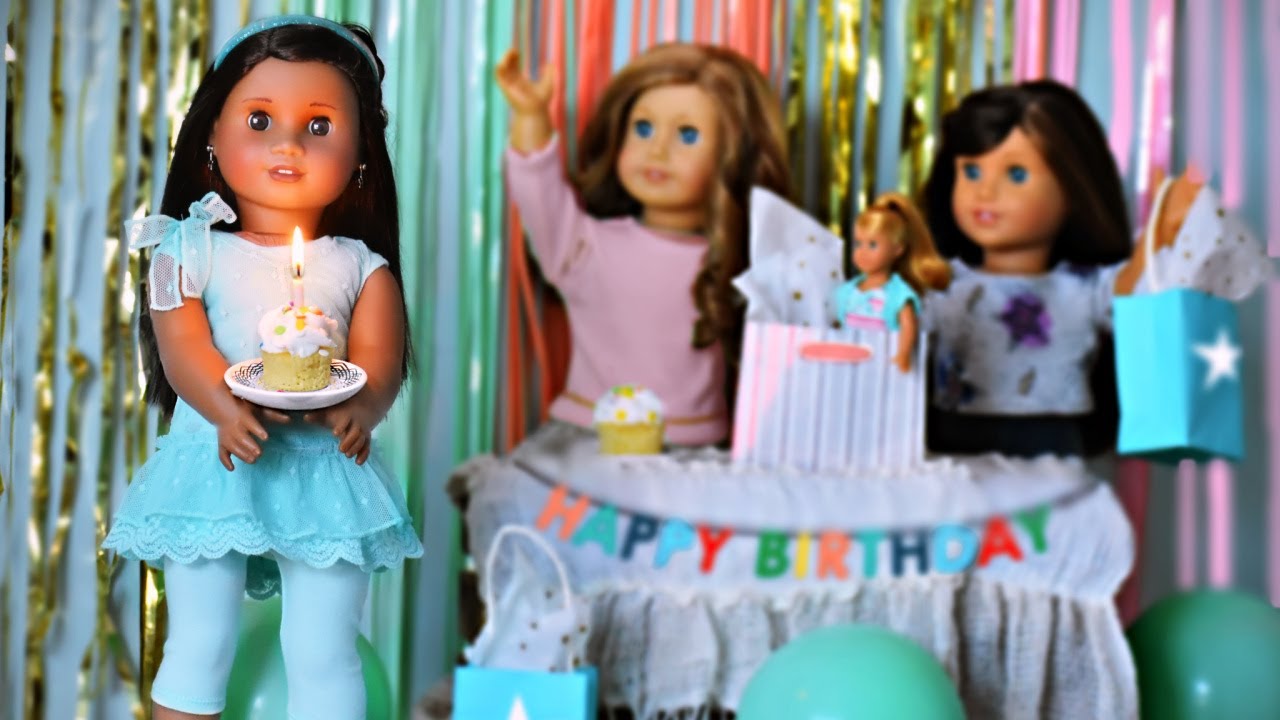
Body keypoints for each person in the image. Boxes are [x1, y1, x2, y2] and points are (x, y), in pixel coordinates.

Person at [101, 16, 421, 719]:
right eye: (259, 120)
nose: (288, 144)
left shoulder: (360, 266)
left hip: (324, 469)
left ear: (361, 153)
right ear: (211, 137)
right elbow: (182, 347)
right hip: (217, 464)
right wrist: (223, 406)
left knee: (324, 649)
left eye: (319, 126)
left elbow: (378, 359)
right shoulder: (187, 250)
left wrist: (361, 409)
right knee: (199, 643)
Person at [494, 43, 791, 446]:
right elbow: (539, 194)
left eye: (687, 135)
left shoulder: (738, 260)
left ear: (732, 156)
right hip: (592, 438)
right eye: (643, 128)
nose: (658, 150)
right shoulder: (584, 248)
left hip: (693, 448)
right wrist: (531, 116)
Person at [920, 79, 1195, 457]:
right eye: (971, 172)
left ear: (1073, 188)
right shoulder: (942, 281)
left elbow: (1132, 290)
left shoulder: (1081, 288)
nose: (984, 193)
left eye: (1017, 174)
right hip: (952, 432)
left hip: (1050, 437)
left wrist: (1159, 234)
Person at [831, 192, 951, 371]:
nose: (862, 252)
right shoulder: (849, 290)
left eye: (872, 245)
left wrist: (903, 355)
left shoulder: (900, 294)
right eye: (858, 244)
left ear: (897, 249)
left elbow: (908, 325)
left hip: (887, 367)